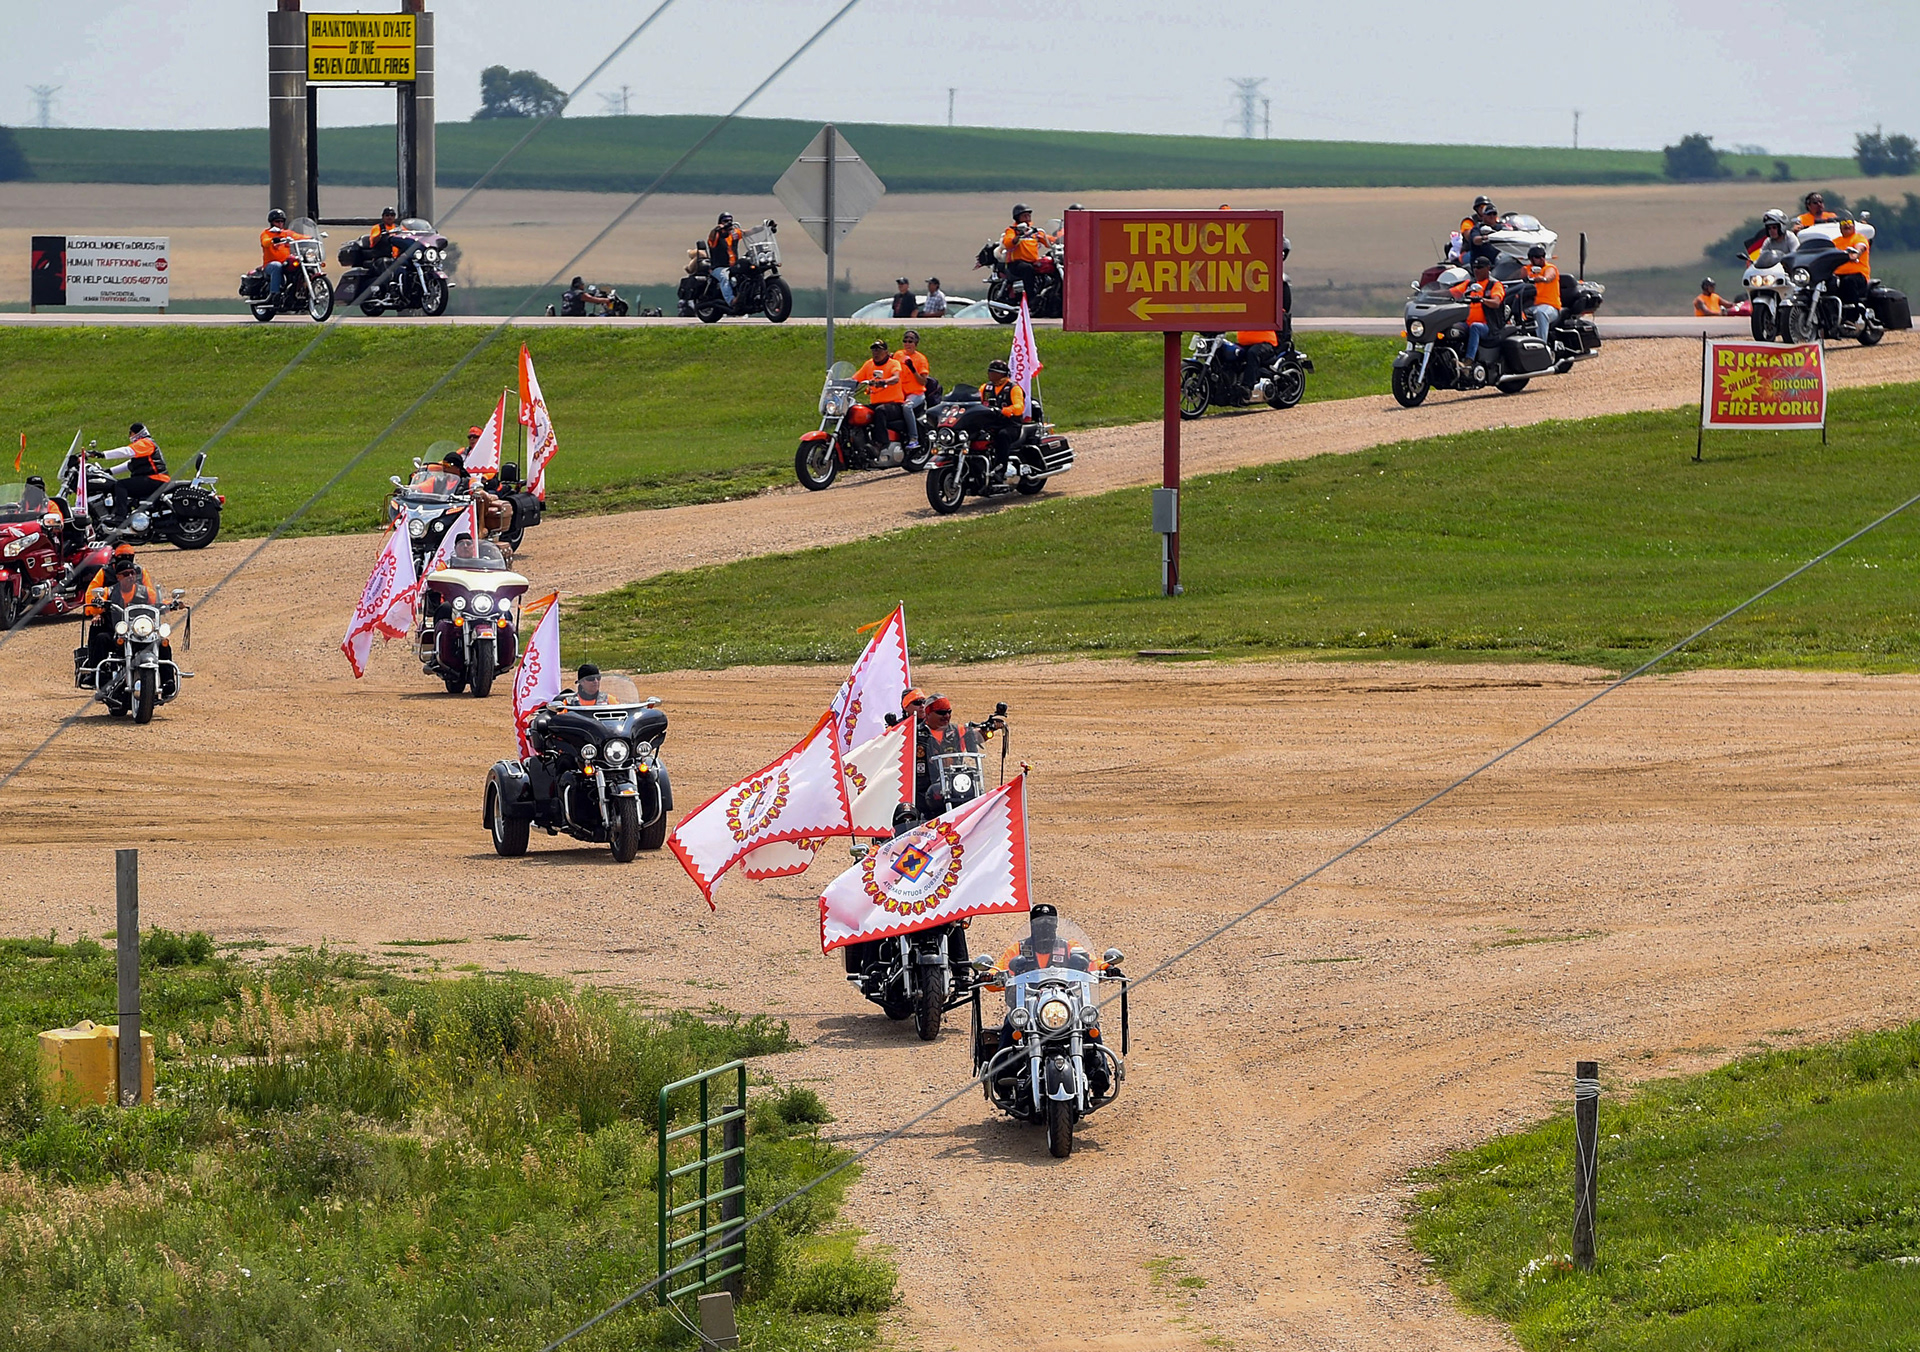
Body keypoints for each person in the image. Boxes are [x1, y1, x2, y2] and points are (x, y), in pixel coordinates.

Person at [79, 544, 174, 677]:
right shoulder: (107, 582)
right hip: (115, 624)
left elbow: (156, 600)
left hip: (138, 626)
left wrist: (171, 605)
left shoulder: (144, 588)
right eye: (125, 574)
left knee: (163, 643)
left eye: (132, 573)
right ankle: (95, 672)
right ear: (118, 576)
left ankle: (168, 679)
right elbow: (91, 595)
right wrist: (97, 611)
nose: (130, 576)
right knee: (99, 634)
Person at [99, 423, 169, 524]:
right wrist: (109, 471)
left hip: (156, 478)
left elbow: (127, 451)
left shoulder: (145, 443)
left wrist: (101, 454)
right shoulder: (143, 446)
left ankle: (120, 518)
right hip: (153, 478)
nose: (129, 436)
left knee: (121, 485)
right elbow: (130, 465)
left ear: (136, 433)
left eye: (130, 433)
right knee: (117, 485)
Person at [853, 339, 916, 451]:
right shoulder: (869, 364)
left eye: (879, 350)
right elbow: (856, 378)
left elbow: (896, 377)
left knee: (880, 411)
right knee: (855, 410)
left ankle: (881, 443)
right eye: (874, 350)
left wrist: (884, 381)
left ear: (886, 352)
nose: (876, 353)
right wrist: (840, 382)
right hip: (875, 403)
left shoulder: (893, 363)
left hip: (894, 404)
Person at [956, 359, 1025, 455]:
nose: (990, 374)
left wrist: (1007, 410)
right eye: (989, 371)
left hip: (1009, 424)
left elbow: (1019, 406)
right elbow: (975, 399)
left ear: (1002, 374)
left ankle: (1001, 465)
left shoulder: (1013, 388)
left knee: (1002, 435)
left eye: (993, 372)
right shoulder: (986, 388)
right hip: (989, 423)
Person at [1449, 257, 1505, 368]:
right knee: (1451, 328)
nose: (1476, 270)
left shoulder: (1494, 285)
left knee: (1475, 327)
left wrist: (1482, 300)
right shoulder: (1470, 284)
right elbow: (1452, 292)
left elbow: (1496, 302)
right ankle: (1451, 357)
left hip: (1489, 327)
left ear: (1488, 268)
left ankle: (1468, 361)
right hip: (1467, 323)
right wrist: (1429, 293)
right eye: (1474, 267)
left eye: (1479, 267)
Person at [1001, 203, 1051, 303]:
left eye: (1029, 215)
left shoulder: (1034, 231)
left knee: (1049, 263)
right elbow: (1008, 243)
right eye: (1024, 215)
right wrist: (1017, 237)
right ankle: (1031, 298)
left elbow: (1048, 240)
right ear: (1017, 217)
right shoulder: (1012, 230)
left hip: (1033, 261)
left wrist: (1060, 240)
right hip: (1016, 263)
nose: (1027, 217)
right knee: (1027, 269)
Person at [259, 208, 305, 304]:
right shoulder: (266, 233)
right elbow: (265, 242)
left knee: (301, 264)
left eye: (282, 221)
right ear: (272, 222)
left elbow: (298, 236)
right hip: (270, 264)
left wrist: (313, 237)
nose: (280, 223)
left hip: (286, 262)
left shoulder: (286, 233)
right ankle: (275, 294)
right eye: (277, 221)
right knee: (277, 266)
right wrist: (273, 240)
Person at [1521, 244, 1561, 341]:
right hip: (1530, 306)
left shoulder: (1550, 268)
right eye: (1538, 257)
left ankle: (1542, 343)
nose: (1542, 259)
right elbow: (1518, 277)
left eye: (1543, 256)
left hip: (1550, 306)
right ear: (1531, 259)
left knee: (1541, 312)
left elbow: (1550, 276)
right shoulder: (1527, 269)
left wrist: (1543, 278)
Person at [1832, 217, 1872, 311]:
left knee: (1848, 281)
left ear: (1854, 226)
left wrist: (1856, 253)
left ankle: (1852, 316)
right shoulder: (1835, 242)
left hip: (1858, 275)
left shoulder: (1859, 238)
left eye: (1849, 222)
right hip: (1837, 275)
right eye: (1843, 223)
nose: (1846, 224)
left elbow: (1860, 247)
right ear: (1840, 228)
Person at [707, 212, 744, 306]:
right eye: (725, 221)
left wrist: (765, 227)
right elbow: (711, 237)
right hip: (719, 267)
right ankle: (731, 300)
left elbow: (747, 233)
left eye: (730, 221)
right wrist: (718, 229)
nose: (729, 223)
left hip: (733, 266)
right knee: (724, 277)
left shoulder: (734, 234)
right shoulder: (716, 236)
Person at [897, 330, 934, 419]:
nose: (907, 344)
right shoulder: (898, 354)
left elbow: (923, 382)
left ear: (916, 343)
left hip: (916, 393)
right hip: (900, 393)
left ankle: (912, 433)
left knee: (907, 407)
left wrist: (912, 369)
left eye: (910, 341)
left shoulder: (921, 359)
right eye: (905, 341)